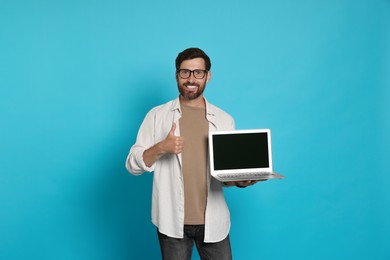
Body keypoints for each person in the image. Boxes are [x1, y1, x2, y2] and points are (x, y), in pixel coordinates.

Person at [126, 47, 258, 260]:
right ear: (177, 75)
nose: (191, 79)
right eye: (185, 72)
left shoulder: (224, 120)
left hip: (214, 221)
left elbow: (223, 175)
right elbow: (132, 165)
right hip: (171, 222)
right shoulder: (157, 116)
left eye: (198, 72)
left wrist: (240, 180)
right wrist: (161, 148)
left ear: (208, 76)